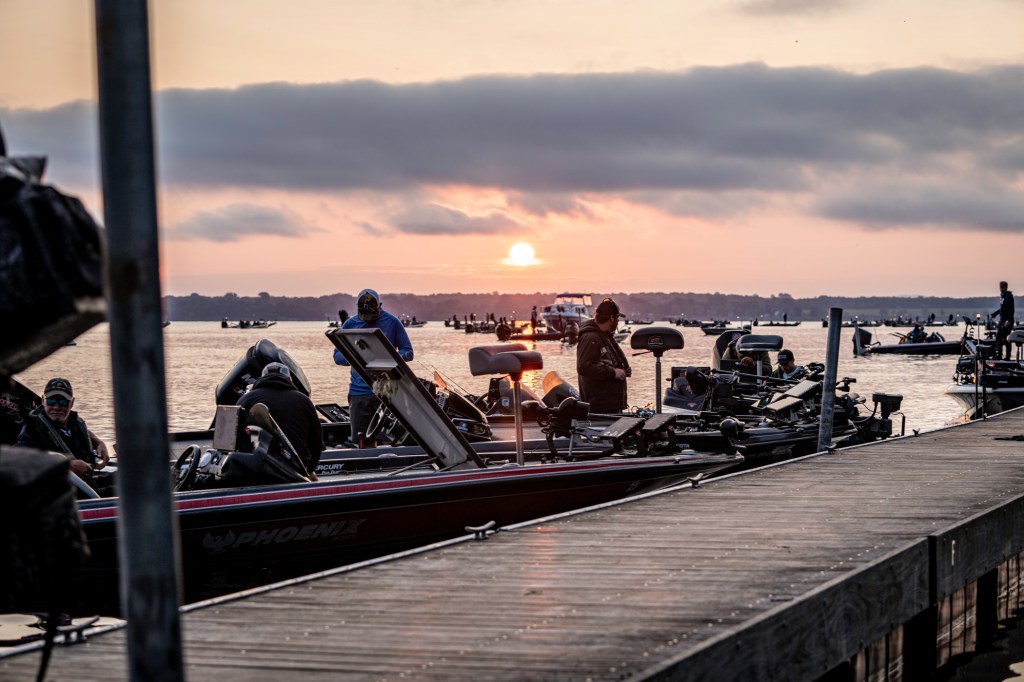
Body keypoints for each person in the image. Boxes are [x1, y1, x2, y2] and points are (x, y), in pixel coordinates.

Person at [332, 289, 413, 445]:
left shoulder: (392, 322)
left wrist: (391, 359)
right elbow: (337, 356)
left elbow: (408, 351)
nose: (368, 319)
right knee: (362, 441)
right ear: (357, 308)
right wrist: (354, 357)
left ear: (380, 306)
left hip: (387, 391)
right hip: (358, 392)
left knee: (388, 442)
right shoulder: (350, 324)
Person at [16, 377, 109, 481]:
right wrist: (67, 465)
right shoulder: (32, 428)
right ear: (43, 400)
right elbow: (21, 460)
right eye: (51, 401)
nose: (57, 407)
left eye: (63, 401)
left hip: (90, 480)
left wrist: (99, 443)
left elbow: (83, 432)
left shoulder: (74, 422)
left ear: (72, 403)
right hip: (61, 487)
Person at [237, 362, 323, 474]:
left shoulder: (246, 399)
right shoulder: (304, 401)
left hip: (255, 467)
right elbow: (316, 441)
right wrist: (309, 469)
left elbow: (232, 436)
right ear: (290, 379)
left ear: (261, 379)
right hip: (297, 468)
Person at [576, 298, 631, 413]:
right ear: (611, 318)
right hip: (600, 407)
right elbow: (584, 367)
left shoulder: (604, 335)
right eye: (617, 317)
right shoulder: (591, 337)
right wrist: (613, 373)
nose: (618, 321)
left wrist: (623, 370)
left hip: (610, 405)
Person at [993, 281, 1015, 360]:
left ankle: (1007, 357)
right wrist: (995, 313)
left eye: (1003, 287)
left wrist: (1008, 320)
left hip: (1007, 321)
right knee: (998, 338)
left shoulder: (1009, 297)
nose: (1002, 288)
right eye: (1001, 287)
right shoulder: (1002, 297)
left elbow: (1011, 310)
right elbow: (1002, 309)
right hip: (1001, 320)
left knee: (1006, 339)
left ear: (1006, 287)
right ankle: (999, 355)